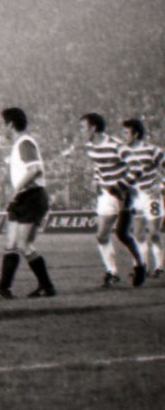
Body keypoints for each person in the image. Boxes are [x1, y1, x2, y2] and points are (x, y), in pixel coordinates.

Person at [0, 108, 57, 299]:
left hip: (31, 196)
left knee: (24, 245)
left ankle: (47, 286)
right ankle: (3, 289)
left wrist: (15, 190)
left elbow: (34, 169)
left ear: (10, 124)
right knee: (11, 244)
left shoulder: (25, 142)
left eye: (3, 125)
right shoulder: (19, 144)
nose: (3, 130)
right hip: (23, 197)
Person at [79, 113, 145, 287]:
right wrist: (96, 179)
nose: (81, 131)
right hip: (107, 194)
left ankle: (140, 264)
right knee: (101, 236)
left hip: (125, 194)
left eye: (83, 127)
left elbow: (137, 168)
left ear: (93, 128)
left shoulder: (116, 145)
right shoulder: (90, 146)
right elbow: (98, 166)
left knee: (122, 234)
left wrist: (121, 186)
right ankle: (112, 272)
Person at [120, 118, 164, 278]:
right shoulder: (124, 152)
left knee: (154, 233)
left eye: (126, 133)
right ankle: (142, 266)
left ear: (136, 134)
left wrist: (161, 186)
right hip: (137, 197)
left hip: (152, 196)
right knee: (138, 233)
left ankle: (159, 267)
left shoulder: (152, 150)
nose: (124, 136)